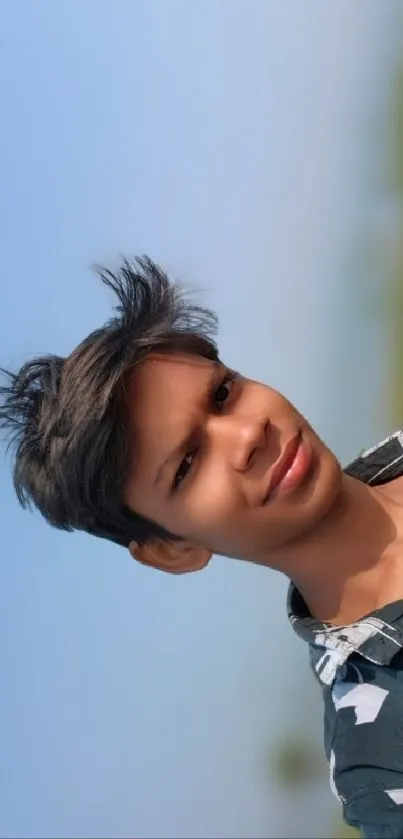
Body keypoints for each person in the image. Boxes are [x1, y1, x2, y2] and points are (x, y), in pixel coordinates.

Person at [1, 256, 403, 837]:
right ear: (171, 550)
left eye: (222, 394)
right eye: (187, 464)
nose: (246, 435)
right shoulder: (382, 756)